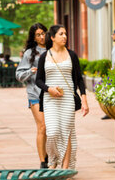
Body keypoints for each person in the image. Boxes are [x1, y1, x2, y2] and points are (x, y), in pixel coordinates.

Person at [35, 25, 88, 169]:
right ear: (52, 37)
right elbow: (38, 80)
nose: (64, 36)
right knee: (52, 132)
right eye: (61, 34)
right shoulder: (44, 57)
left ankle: (65, 166)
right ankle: (52, 162)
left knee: (66, 131)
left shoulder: (72, 55)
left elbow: (79, 79)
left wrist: (84, 99)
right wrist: (49, 89)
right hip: (50, 99)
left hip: (67, 99)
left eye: (65, 34)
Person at [16, 23, 48, 168]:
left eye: (43, 33)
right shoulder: (30, 53)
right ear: (34, 38)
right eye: (38, 35)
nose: (42, 37)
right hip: (35, 93)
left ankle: (51, 156)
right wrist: (31, 71)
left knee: (53, 128)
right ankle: (43, 161)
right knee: (42, 127)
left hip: (52, 93)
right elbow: (19, 75)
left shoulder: (54, 50)